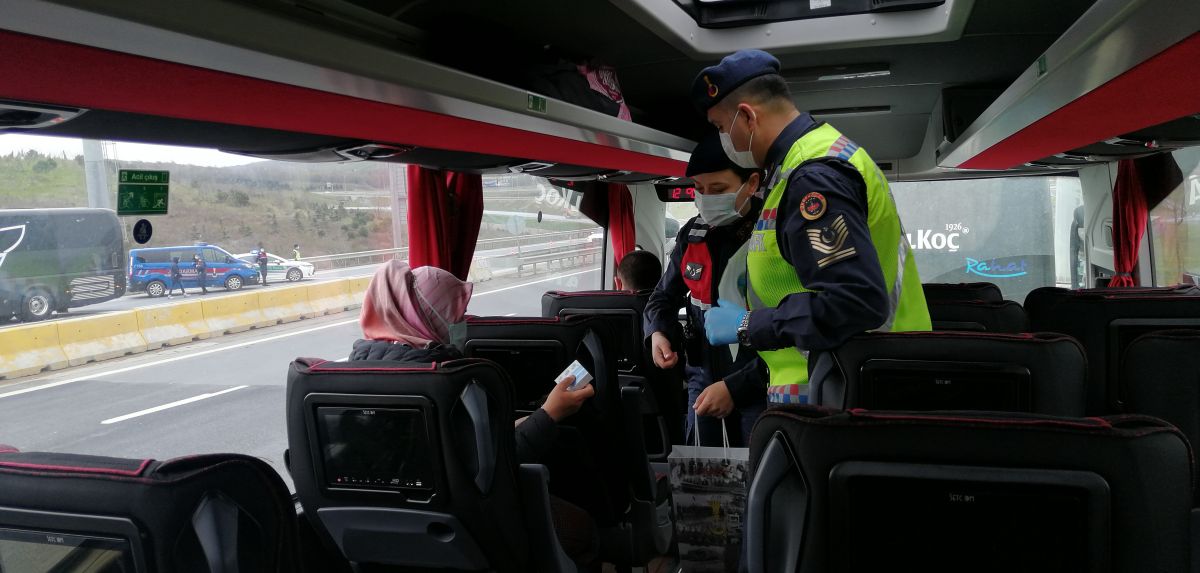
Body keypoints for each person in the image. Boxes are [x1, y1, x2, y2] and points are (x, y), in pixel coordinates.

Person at [693, 49, 931, 404]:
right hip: (845, 382)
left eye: (720, 127)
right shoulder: (802, 165)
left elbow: (854, 303)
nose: (724, 139)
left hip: (855, 393)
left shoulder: (813, 177)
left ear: (746, 117)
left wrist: (747, 325)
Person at [350, 260, 601, 570]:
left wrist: (536, 415)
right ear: (429, 317)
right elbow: (493, 467)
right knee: (582, 529)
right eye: (455, 316)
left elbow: (455, 447)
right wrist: (549, 415)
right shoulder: (447, 381)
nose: (463, 324)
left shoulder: (351, 376)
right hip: (471, 529)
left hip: (383, 538)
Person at [644, 131, 766, 446]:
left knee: (758, 477)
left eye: (718, 189)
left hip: (760, 383)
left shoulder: (773, 234)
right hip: (702, 379)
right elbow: (662, 298)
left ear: (751, 184)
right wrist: (659, 333)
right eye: (699, 189)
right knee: (704, 483)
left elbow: (796, 327)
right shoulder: (692, 234)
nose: (706, 198)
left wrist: (736, 388)